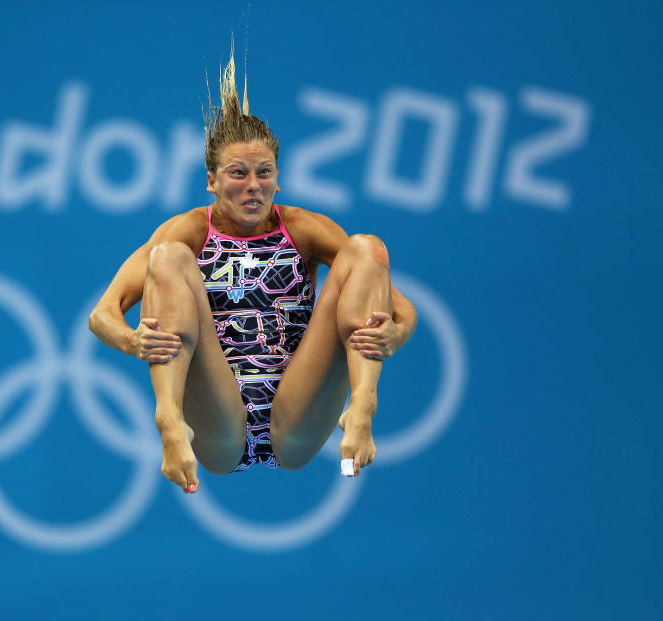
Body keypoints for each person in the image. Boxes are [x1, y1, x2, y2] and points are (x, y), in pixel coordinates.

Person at [89, 53, 417, 493]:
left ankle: (362, 407)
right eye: (237, 173)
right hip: (217, 421)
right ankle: (168, 418)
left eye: (264, 173)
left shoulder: (303, 229)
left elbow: (400, 307)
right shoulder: (188, 230)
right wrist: (133, 341)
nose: (253, 186)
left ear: (278, 178)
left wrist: (397, 334)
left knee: (366, 248)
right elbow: (102, 315)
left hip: (296, 414)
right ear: (211, 180)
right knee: (167, 257)